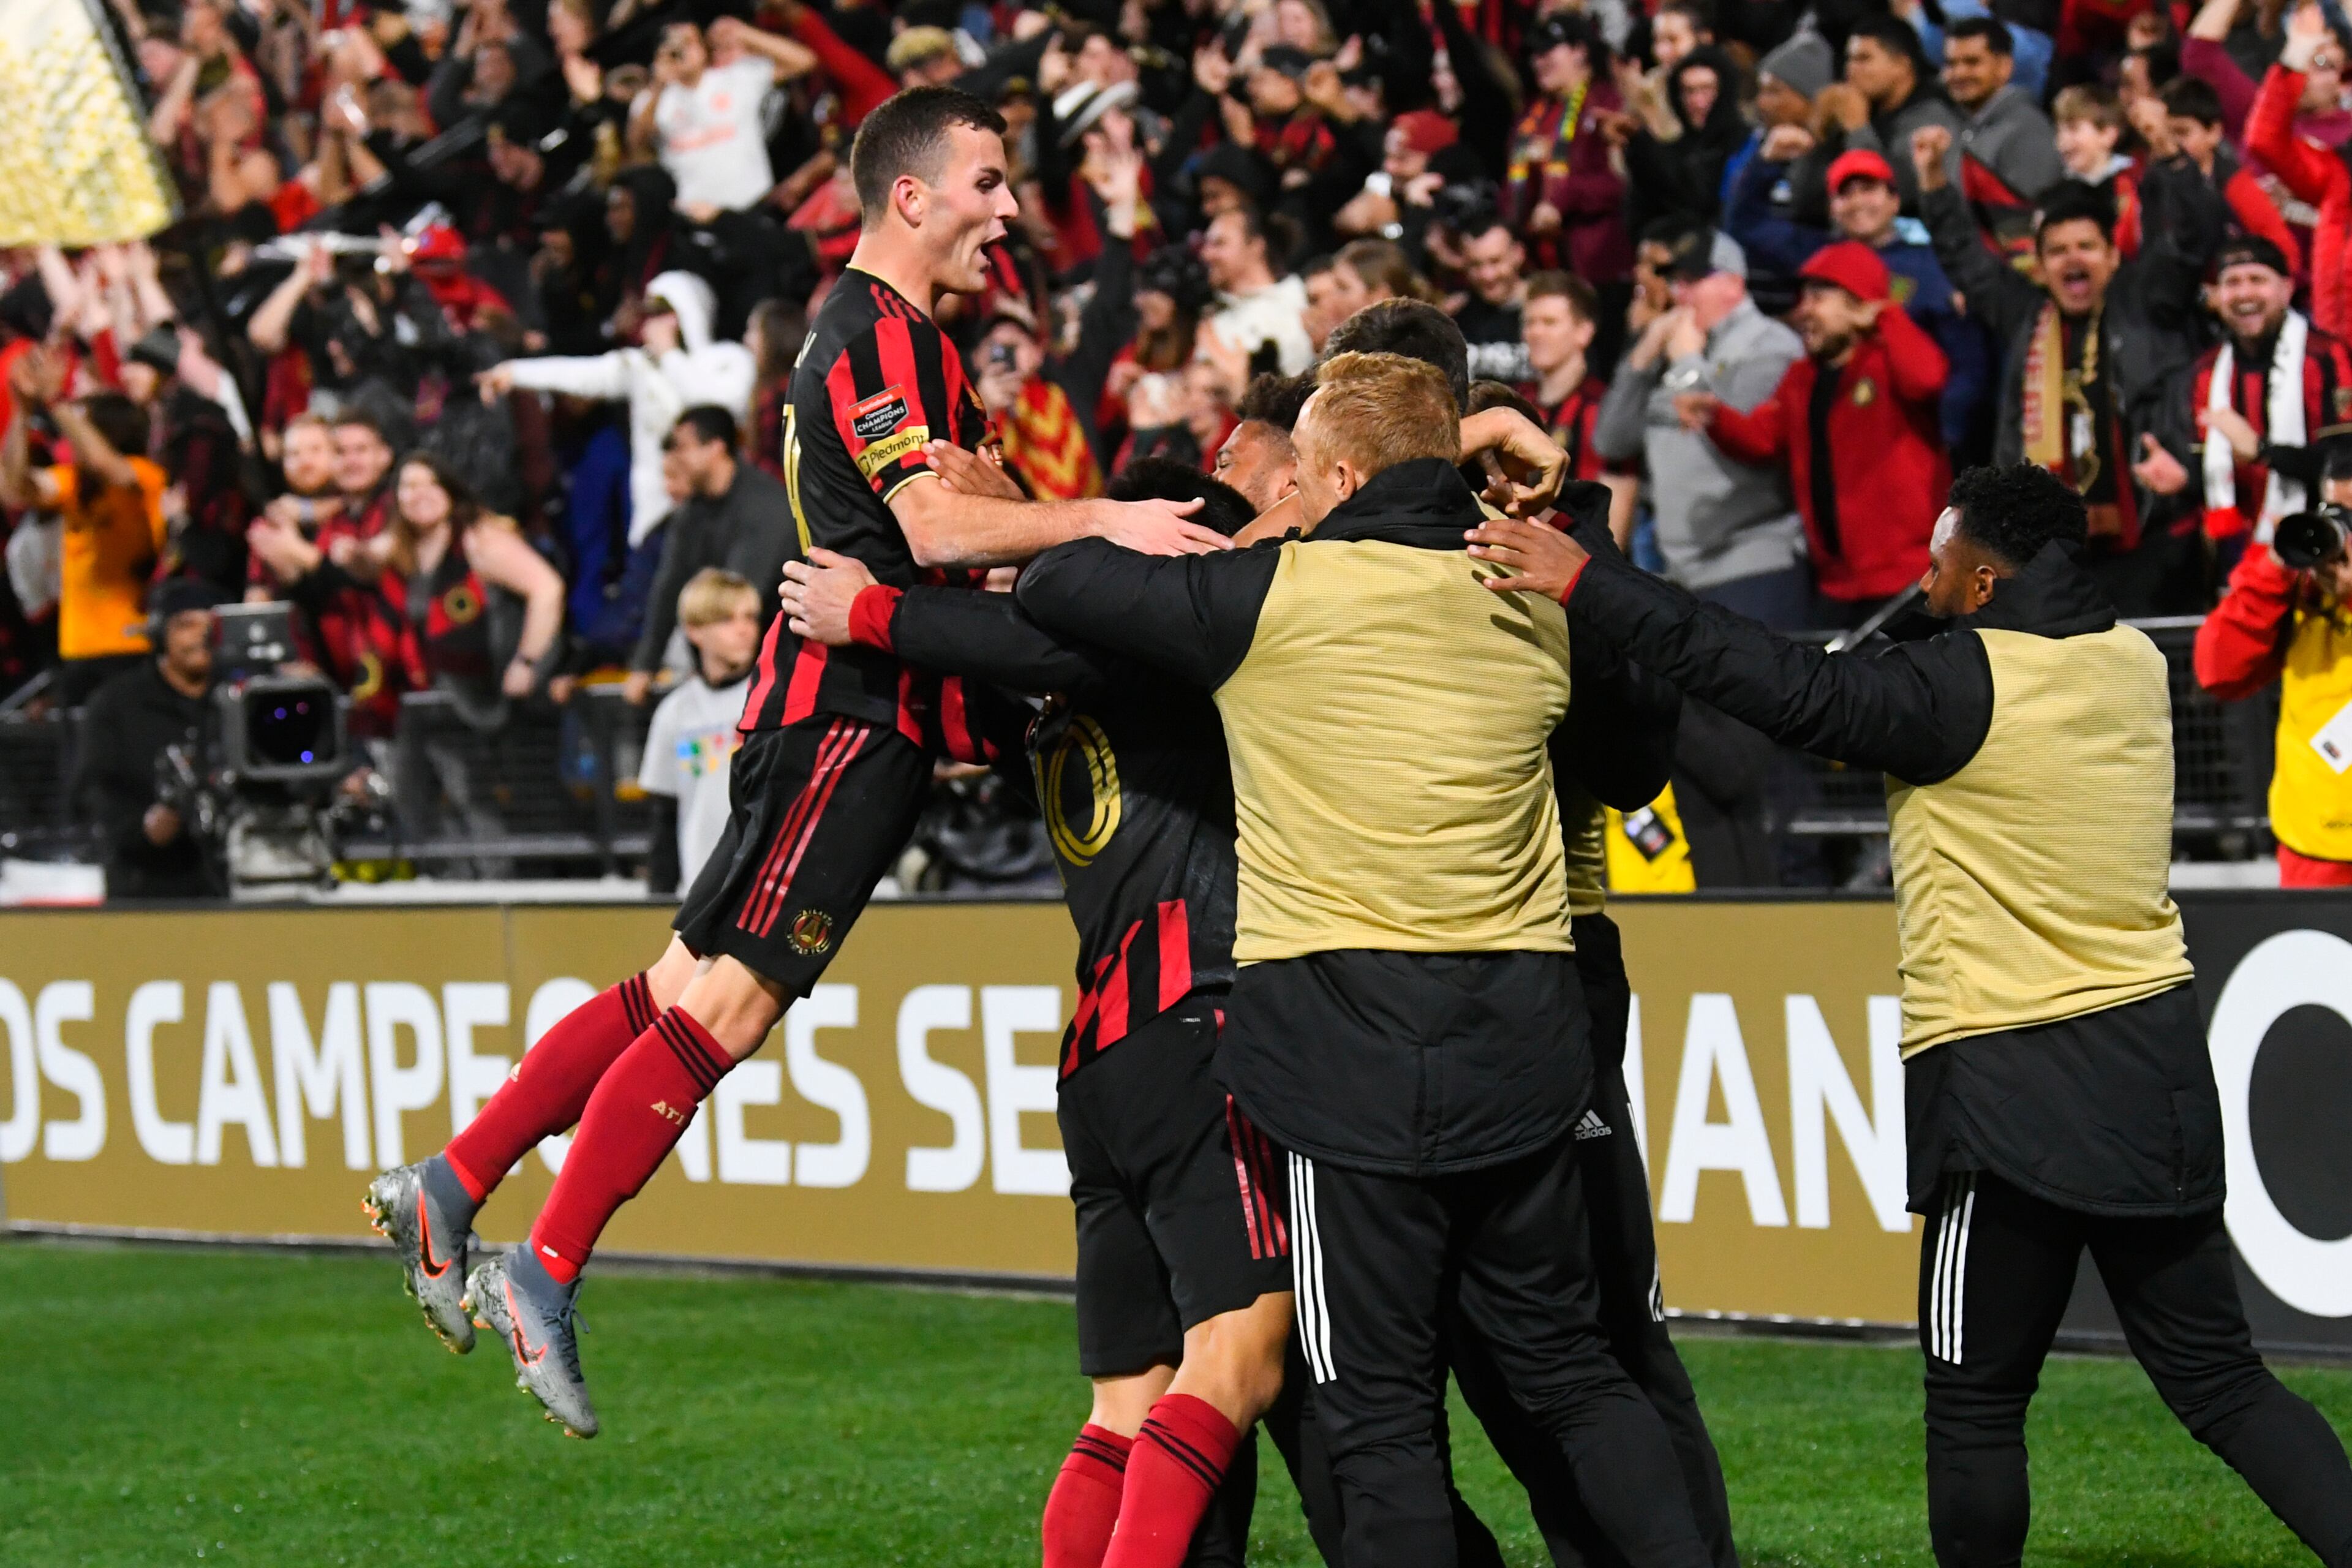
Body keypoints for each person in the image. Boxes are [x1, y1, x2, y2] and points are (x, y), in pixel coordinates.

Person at [362, 86, 1218, 1438]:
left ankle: (457, 1184)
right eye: (988, 183)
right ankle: (544, 1265)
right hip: (851, 710)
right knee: (733, 1007)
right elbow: (941, 529)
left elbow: (974, 507)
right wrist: (1114, 517)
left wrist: (1015, 512)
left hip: (850, 708)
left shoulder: (904, 339)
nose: (1010, 209)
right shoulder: (874, 335)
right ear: (913, 196)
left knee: (676, 987)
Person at [1471, 461, 2352, 1568]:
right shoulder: (2129, 659)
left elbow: (1774, 682)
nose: (1921, 576)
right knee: (2224, 1384)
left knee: (1975, 1405)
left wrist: (1587, 582)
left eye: (1940, 560)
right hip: (2157, 1067)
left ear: (1985, 583)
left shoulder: (1964, 688)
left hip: (2009, 1086)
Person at [1012, 349, 1710, 1568]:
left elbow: (1062, 582)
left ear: (1330, 471)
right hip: (1530, 1040)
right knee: (1576, 1374)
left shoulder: (1276, 594)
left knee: (1378, 1413)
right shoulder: (1535, 592)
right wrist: (1555, 505)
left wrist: (1262, 521)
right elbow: (1638, 738)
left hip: (1346, 1057)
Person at [1915, 129, 2218, 615]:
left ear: (2114, 257)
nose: (2073, 259)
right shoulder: (2025, 317)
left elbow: (2186, 243)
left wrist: (2172, 159)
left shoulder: (2147, 307)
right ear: (2039, 264)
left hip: (2151, 537)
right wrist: (1934, 185)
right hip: (2053, 557)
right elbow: (1969, 263)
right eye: (2058, 250)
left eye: (2086, 246)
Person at [1673, 243, 1949, 625]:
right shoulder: (1801, 378)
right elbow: (1764, 439)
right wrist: (1717, 417)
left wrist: (1886, 315)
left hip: (1908, 580)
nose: (1804, 310)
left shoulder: (1888, 361)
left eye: (1818, 297)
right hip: (1836, 586)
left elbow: (1928, 380)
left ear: (1858, 303)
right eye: (1803, 298)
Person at [1594, 224, 1808, 627]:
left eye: (1694, 282)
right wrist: (1643, 355)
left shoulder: (1770, 347)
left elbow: (1748, 446)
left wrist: (1690, 366)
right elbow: (1613, 440)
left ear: (1733, 282)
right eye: (1678, 282)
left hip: (1752, 565)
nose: (1681, 295)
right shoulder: (1674, 346)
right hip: (1680, 575)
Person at [1728, 146, 1990, 457]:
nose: (1858, 203)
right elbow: (1747, 223)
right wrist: (1768, 160)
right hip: (1844, 433)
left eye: (1869, 190)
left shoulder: (1933, 265)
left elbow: (1968, 359)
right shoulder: (1818, 258)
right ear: (1832, 209)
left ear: (1894, 200)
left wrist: (1951, 434)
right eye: (1845, 194)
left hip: (1919, 435)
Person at [480, 270, 755, 552]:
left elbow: (718, 408)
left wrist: (670, 354)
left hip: (717, 511)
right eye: (650, 313)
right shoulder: (640, 365)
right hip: (654, 515)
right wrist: (515, 373)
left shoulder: (728, 360)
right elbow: (582, 374)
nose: (655, 323)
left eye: (664, 312)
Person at [2196, 445, 2352, 887]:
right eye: (2334, 512)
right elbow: (2217, 670)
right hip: (2315, 851)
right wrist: (2274, 572)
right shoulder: (2302, 588)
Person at [0, 346, 168, 705]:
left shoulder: (144, 476)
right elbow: (13, 489)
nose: (67, 437)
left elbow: (107, 466)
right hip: (78, 649)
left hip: (130, 646)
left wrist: (56, 400)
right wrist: (22, 412)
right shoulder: (74, 484)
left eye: (80, 425)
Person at [2183, 236, 2352, 571]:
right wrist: (2178, 477)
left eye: (2257, 280)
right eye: (2232, 283)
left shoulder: (2327, 358)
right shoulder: (2206, 372)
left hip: (2323, 556)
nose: (2245, 294)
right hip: (2237, 560)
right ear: (2217, 296)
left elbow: (2347, 465)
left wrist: (2264, 451)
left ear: (2287, 290)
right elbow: (2204, 472)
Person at [621, 406, 798, 706]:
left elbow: (738, 598)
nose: (674, 458)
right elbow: (668, 588)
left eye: (683, 448)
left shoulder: (765, 506)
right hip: (722, 674)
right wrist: (644, 665)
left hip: (779, 675)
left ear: (716, 448)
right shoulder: (691, 513)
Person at [72, 579, 221, 901]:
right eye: (186, 625)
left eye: (211, 626)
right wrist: (142, 827)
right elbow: (92, 791)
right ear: (159, 635)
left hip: (230, 881)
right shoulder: (117, 704)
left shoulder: (241, 698)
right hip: (146, 886)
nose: (201, 636)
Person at [640, 568, 758, 897]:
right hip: (701, 892)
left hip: (765, 892)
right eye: (726, 620)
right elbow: (665, 813)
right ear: (694, 631)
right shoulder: (676, 712)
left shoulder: (771, 699)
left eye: (749, 617)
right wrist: (659, 894)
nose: (744, 629)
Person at [2245, 6, 2352, 342]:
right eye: (2309, 62)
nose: (2309, 74)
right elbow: (2264, 138)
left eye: (2323, 65)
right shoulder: (2334, 164)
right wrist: (2297, 53)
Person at [1505, 13, 1631, 288]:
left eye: (1548, 50)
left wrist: (1563, 200)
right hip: (1540, 267)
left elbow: (1620, 182)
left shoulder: (1606, 105)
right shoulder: (1530, 116)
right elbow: (1513, 185)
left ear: (1579, 51)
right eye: (1534, 54)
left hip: (1597, 265)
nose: (1539, 61)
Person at [1518, 271, 1637, 542]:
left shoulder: (1603, 409)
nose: (1535, 333)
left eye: (1549, 323)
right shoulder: (1518, 402)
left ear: (1584, 332)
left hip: (1581, 562)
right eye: (1529, 323)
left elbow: (1615, 518)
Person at [1814, 14, 1964, 215]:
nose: (1850, 70)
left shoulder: (1932, 118)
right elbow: (1808, 203)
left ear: (1902, 65)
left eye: (1863, 59)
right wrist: (1820, 134)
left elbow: (1904, 194)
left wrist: (1858, 129)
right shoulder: (1863, 107)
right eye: (1849, 59)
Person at [1942, 18, 2064, 210]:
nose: (1959, 73)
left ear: (2004, 67)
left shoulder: (2028, 131)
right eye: (1950, 64)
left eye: (1972, 62)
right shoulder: (1958, 127)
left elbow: (2026, 222)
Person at [1199, 203, 1314, 376]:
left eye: (1219, 244)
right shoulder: (1215, 312)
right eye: (1207, 244)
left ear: (1256, 247)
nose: (1206, 254)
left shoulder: (1294, 308)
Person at [1451, 216, 1533, 385]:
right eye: (1476, 265)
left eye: (1495, 262)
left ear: (1519, 254)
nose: (1487, 275)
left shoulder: (1551, 310)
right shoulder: (1458, 316)